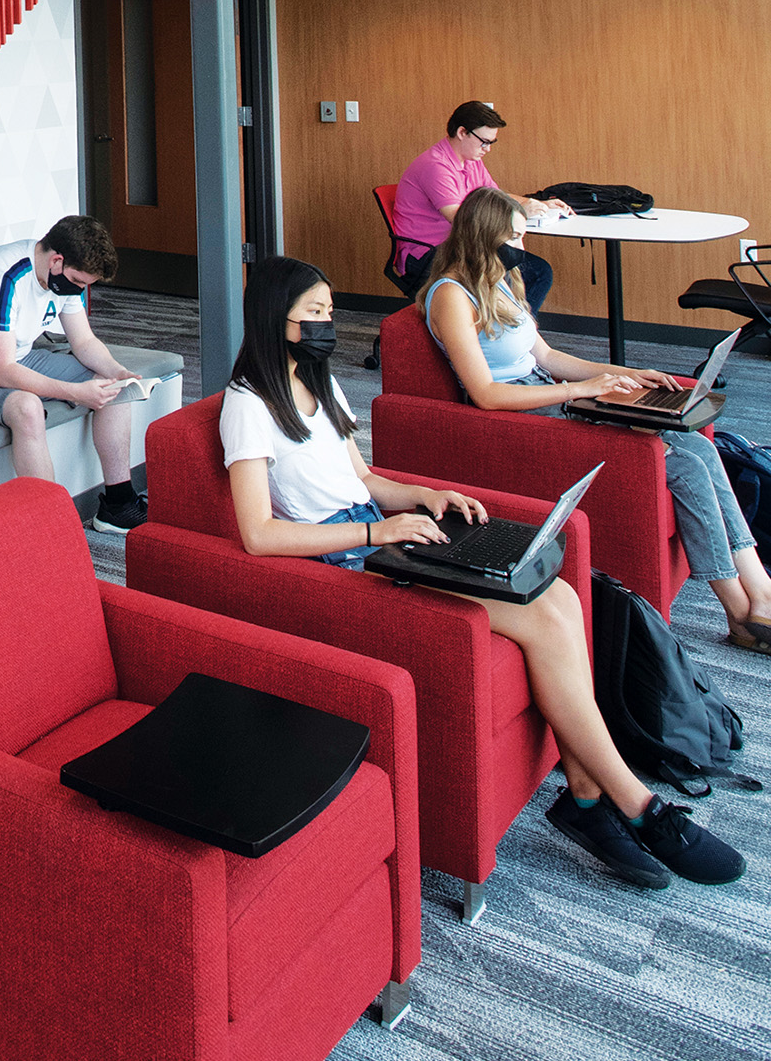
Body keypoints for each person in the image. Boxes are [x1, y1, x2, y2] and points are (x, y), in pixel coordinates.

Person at [223, 255, 745, 888]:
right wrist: (374, 532)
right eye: (316, 314)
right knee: (541, 610)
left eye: (331, 311)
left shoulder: (321, 382)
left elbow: (361, 478)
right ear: (276, 318)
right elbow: (257, 534)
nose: (330, 324)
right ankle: (637, 806)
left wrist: (420, 495)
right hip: (349, 558)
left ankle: (586, 797)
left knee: (560, 599)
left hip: (385, 534)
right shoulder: (247, 405)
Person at [424, 188, 771, 656]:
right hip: (524, 410)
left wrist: (620, 374)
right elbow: (484, 394)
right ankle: (737, 610)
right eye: (514, 237)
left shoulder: (501, 279)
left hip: (547, 389)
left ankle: (761, 590)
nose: (522, 248)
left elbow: (544, 355)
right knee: (683, 465)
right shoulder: (452, 295)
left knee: (701, 448)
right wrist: (580, 391)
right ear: (484, 235)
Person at [0, 216, 147, 529]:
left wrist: (118, 371)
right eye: (79, 281)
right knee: (27, 408)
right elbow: (2, 372)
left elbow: (83, 342)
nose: (81, 289)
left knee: (113, 384)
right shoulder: (2, 275)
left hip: (19, 357)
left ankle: (118, 504)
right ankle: (52, 527)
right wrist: (75, 392)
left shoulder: (64, 278)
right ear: (57, 260)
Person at [391, 101, 570, 316]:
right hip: (429, 255)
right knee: (534, 271)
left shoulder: (471, 159)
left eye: (491, 142)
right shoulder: (435, 166)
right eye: (484, 142)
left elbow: (494, 196)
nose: (488, 149)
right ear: (462, 132)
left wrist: (532, 204)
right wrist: (520, 214)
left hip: (458, 246)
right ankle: (504, 334)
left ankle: (509, 333)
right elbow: (463, 221)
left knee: (533, 269)